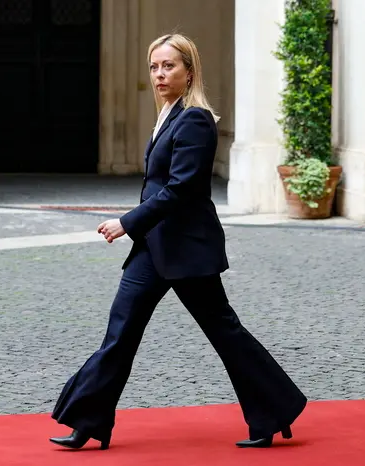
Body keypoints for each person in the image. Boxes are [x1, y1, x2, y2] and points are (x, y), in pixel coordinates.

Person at [49, 33, 307, 450]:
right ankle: (88, 422)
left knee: (226, 333)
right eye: (154, 67)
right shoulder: (168, 114)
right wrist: (140, 228)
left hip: (187, 250)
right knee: (120, 333)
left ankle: (273, 414)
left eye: (168, 66)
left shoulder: (195, 119)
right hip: (153, 249)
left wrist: (127, 222)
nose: (159, 74)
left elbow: (180, 188)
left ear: (189, 71)